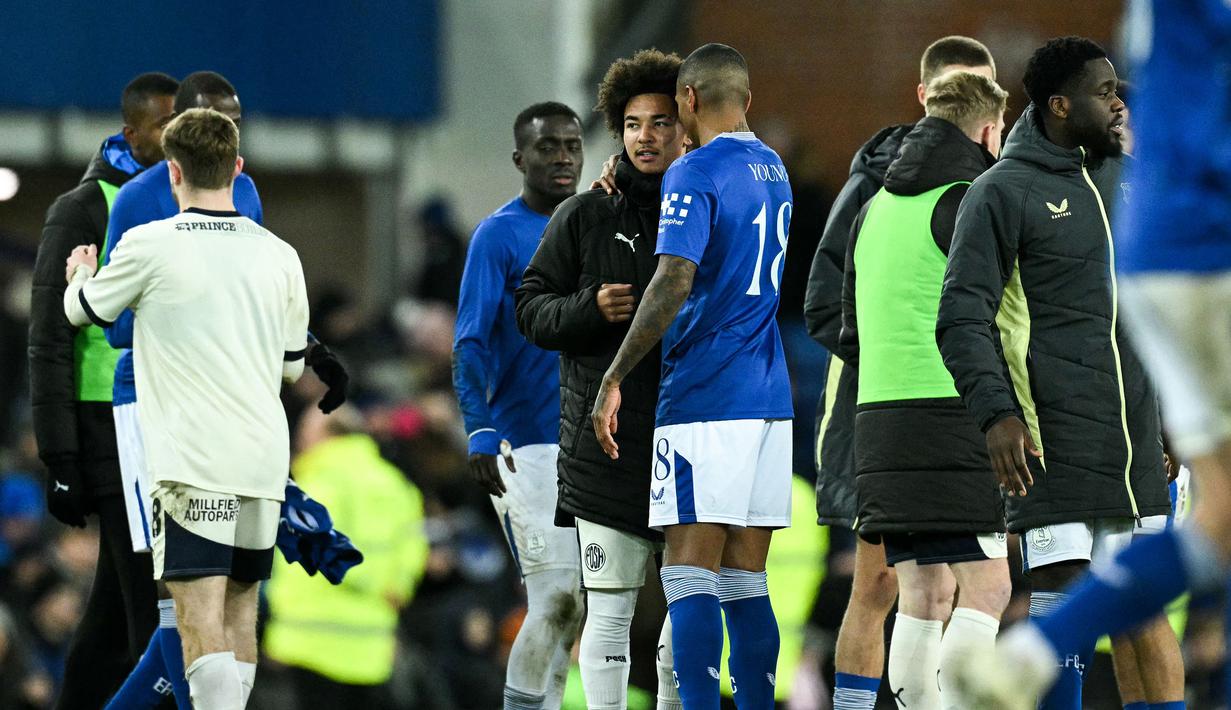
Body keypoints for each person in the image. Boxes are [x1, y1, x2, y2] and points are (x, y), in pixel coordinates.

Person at [951, 5, 1231, 709]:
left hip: (1136, 439)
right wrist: (995, 415)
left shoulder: (1128, 179)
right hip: (1049, 435)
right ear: (1058, 105)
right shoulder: (1000, 191)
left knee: (1146, 609)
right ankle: (1030, 662)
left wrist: (1172, 422)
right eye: (1103, 92)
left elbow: (1145, 329)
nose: (1117, 103)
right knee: (1060, 589)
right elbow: (961, 315)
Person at [62, 107, 309, 710]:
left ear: (173, 171)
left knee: (195, 620)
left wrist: (80, 274)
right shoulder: (281, 255)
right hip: (263, 463)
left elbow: (82, 313)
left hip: (192, 463)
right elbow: (292, 368)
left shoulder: (151, 244)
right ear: (238, 168)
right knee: (240, 612)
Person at [590, 43, 790, 710]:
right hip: (769, 393)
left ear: (688, 100)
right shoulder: (773, 167)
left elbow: (673, 278)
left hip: (707, 391)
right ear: (746, 100)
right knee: (745, 580)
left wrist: (616, 374)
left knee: (687, 574)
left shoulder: (695, 170)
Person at [801, 35, 996, 710]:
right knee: (883, 584)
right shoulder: (875, 180)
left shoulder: (986, 188)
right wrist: (899, 356)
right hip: (881, 407)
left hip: (926, 411)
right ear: (923, 96)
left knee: (936, 588)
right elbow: (824, 304)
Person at [515, 50, 686, 710]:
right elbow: (530, 308)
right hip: (604, 450)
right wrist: (589, 308)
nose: (647, 137)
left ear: (687, 125)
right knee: (609, 610)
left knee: (688, 604)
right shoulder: (585, 216)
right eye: (634, 124)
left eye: (662, 122)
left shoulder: (709, 209)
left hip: (688, 439)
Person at [27, 71, 178, 709]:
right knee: (150, 604)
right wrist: (60, 456)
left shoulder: (185, 201)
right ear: (130, 133)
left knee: (116, 612)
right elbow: (49, 336)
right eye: (162, 126)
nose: (173, 138)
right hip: (107, 425)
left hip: (163, 417)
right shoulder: (84, 208)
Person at [452, 101, 586, 710]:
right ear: (519, 158)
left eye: (571, 145)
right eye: (546, 147)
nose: (562, 157)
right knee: (554, 597)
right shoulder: (499, 235)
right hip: (521, 444)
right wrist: (478, 426)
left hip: (590, 445)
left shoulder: (596, 227)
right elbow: (470, 341)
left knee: (575, 606)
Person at [264, 406, 428, 706]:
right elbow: (414, 547)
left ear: (327, 434)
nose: (299, 441)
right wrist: (394, 587)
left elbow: (321, 547)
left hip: (310, 641)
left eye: (305, 432)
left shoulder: (321, 480)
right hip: (371, 644)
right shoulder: (396, 483)